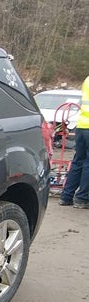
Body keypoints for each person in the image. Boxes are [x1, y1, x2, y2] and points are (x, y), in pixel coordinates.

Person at [60, 75, 89, 208]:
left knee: (78, 161)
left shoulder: (87, 79)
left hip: (82, 125)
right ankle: (82, 198)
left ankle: (66, 196)